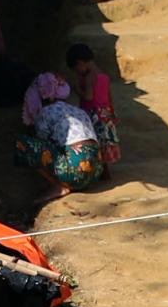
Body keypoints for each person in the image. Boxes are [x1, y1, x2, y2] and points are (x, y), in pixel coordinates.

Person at [17, 41, 120, 195]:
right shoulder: (77, 110)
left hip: (76, 174)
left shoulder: (45, 114)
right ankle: (100, 172)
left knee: (24, 147)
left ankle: (58, 186)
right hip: (94, 172)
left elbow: (43, 143)